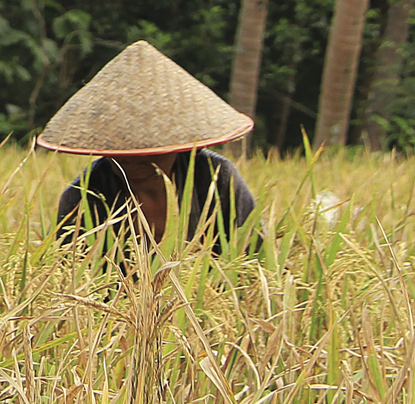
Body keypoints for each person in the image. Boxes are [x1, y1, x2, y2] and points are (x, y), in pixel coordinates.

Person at [39, 41, 262, 254]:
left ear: (176, 143)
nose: (133, 160)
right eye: (122, 147)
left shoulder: (216, 179)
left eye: (148, 149)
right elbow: (61, 272)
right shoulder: (85, 196)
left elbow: (255, 256)